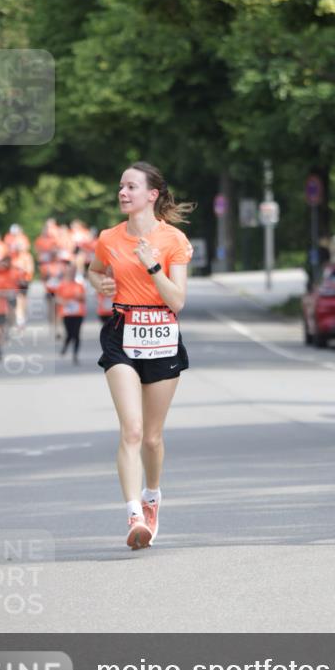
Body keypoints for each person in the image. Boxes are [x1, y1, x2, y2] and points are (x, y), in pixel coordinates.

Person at [88, 162, 194, 550]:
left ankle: (152, 497)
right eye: (120, 186)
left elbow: (177, 300)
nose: (123, 192)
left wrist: (152, 265)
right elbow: (94, 270)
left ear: (152, 195)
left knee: (152, 437)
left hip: (163, 335)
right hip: (121, 332)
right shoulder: (108, 238)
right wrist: (97, 280)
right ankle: (133, 513)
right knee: (131, 429)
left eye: (131, 187)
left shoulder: (173, 241)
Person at [55, 258, 86, 364]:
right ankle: (65, 346)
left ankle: (75, 355)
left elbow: (84, 299)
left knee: (76, 334)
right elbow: (56, 298)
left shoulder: (79, 285)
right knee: (69, 333)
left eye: (74, 271)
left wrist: (79, 297)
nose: (72, 273)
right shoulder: (62, 285)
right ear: (67, 272)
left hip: (78, 313)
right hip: (67, 313)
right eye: (70, 271)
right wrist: (63, 302)